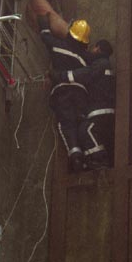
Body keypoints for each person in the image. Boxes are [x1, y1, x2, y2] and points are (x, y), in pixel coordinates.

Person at [39, 14, 92, 172]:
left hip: (63, 92)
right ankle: (87, 156)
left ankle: (76, 156)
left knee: (67, 124)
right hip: (81, 94)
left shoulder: (58, 46)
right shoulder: (87, 58)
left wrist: (44, 21)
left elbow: (45, 36)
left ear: (70, 33)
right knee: (81, 123)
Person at [55, 39, 115, 170]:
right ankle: (91, 162)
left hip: (99, 110)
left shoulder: (100, 64)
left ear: (98, 48)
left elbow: (82, 74)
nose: (91, 50)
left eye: (93, 48)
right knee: (88, 132)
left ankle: (100, 160)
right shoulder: (105, 64)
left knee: (86, 130)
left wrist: (59, 76)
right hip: (105, 110)